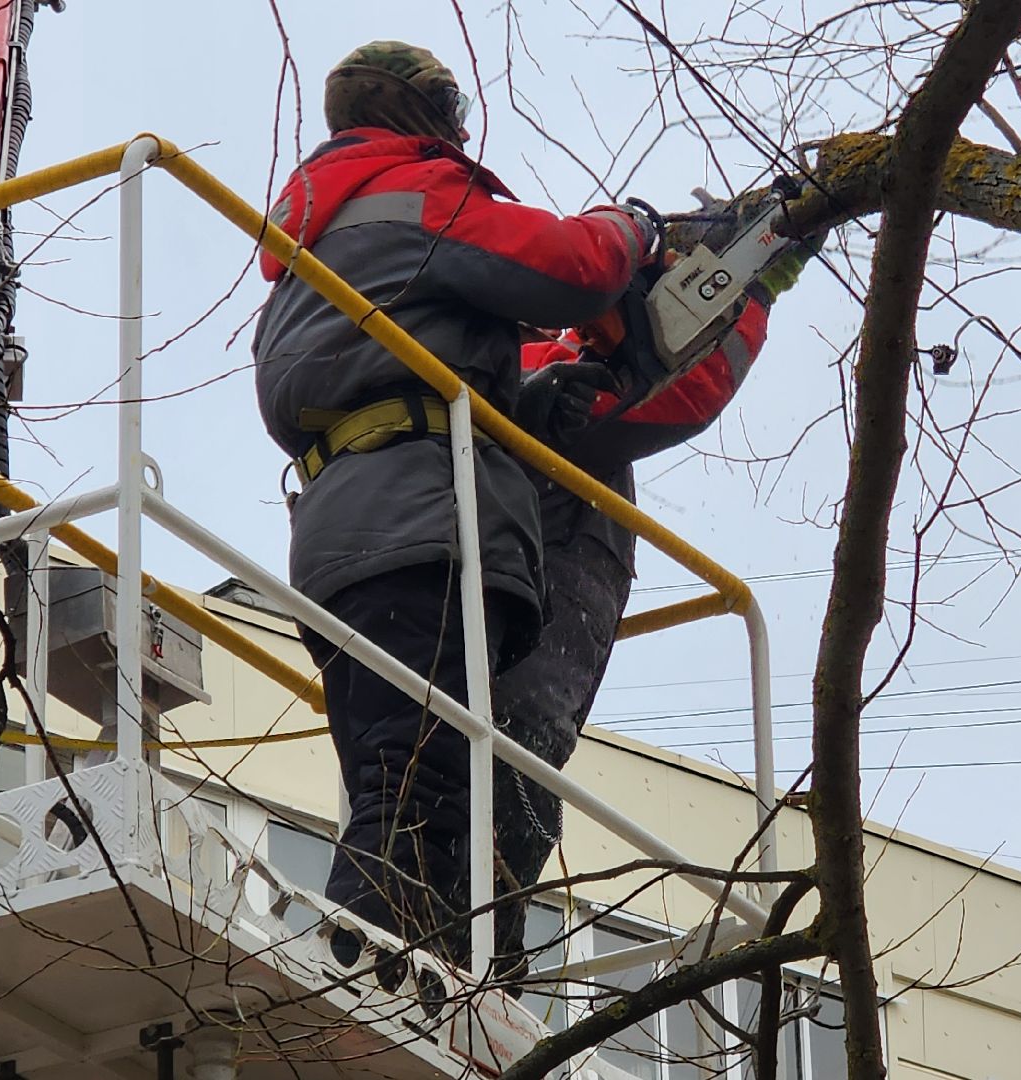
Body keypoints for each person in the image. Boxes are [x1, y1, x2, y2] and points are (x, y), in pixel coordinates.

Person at [250, 39, 658, 965]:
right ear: (427, 115)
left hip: (343, 535)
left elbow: (389, 376)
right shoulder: (417, 196)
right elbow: (575, 266)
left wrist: (516, 403)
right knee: (416, 791)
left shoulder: (311, 251)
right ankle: (364, 986)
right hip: (423, 526)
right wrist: (633, 228)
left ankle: (415, 975)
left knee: (396, 781)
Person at [489, 233, 813, 974]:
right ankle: (475, 959)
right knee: (506, 783)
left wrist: (722, 275)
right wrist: (750, 296)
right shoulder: (521, 373)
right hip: (539, 615)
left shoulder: (517, 365)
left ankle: (483, 955)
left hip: (545, 608)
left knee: (507, 786)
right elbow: (677, 396)